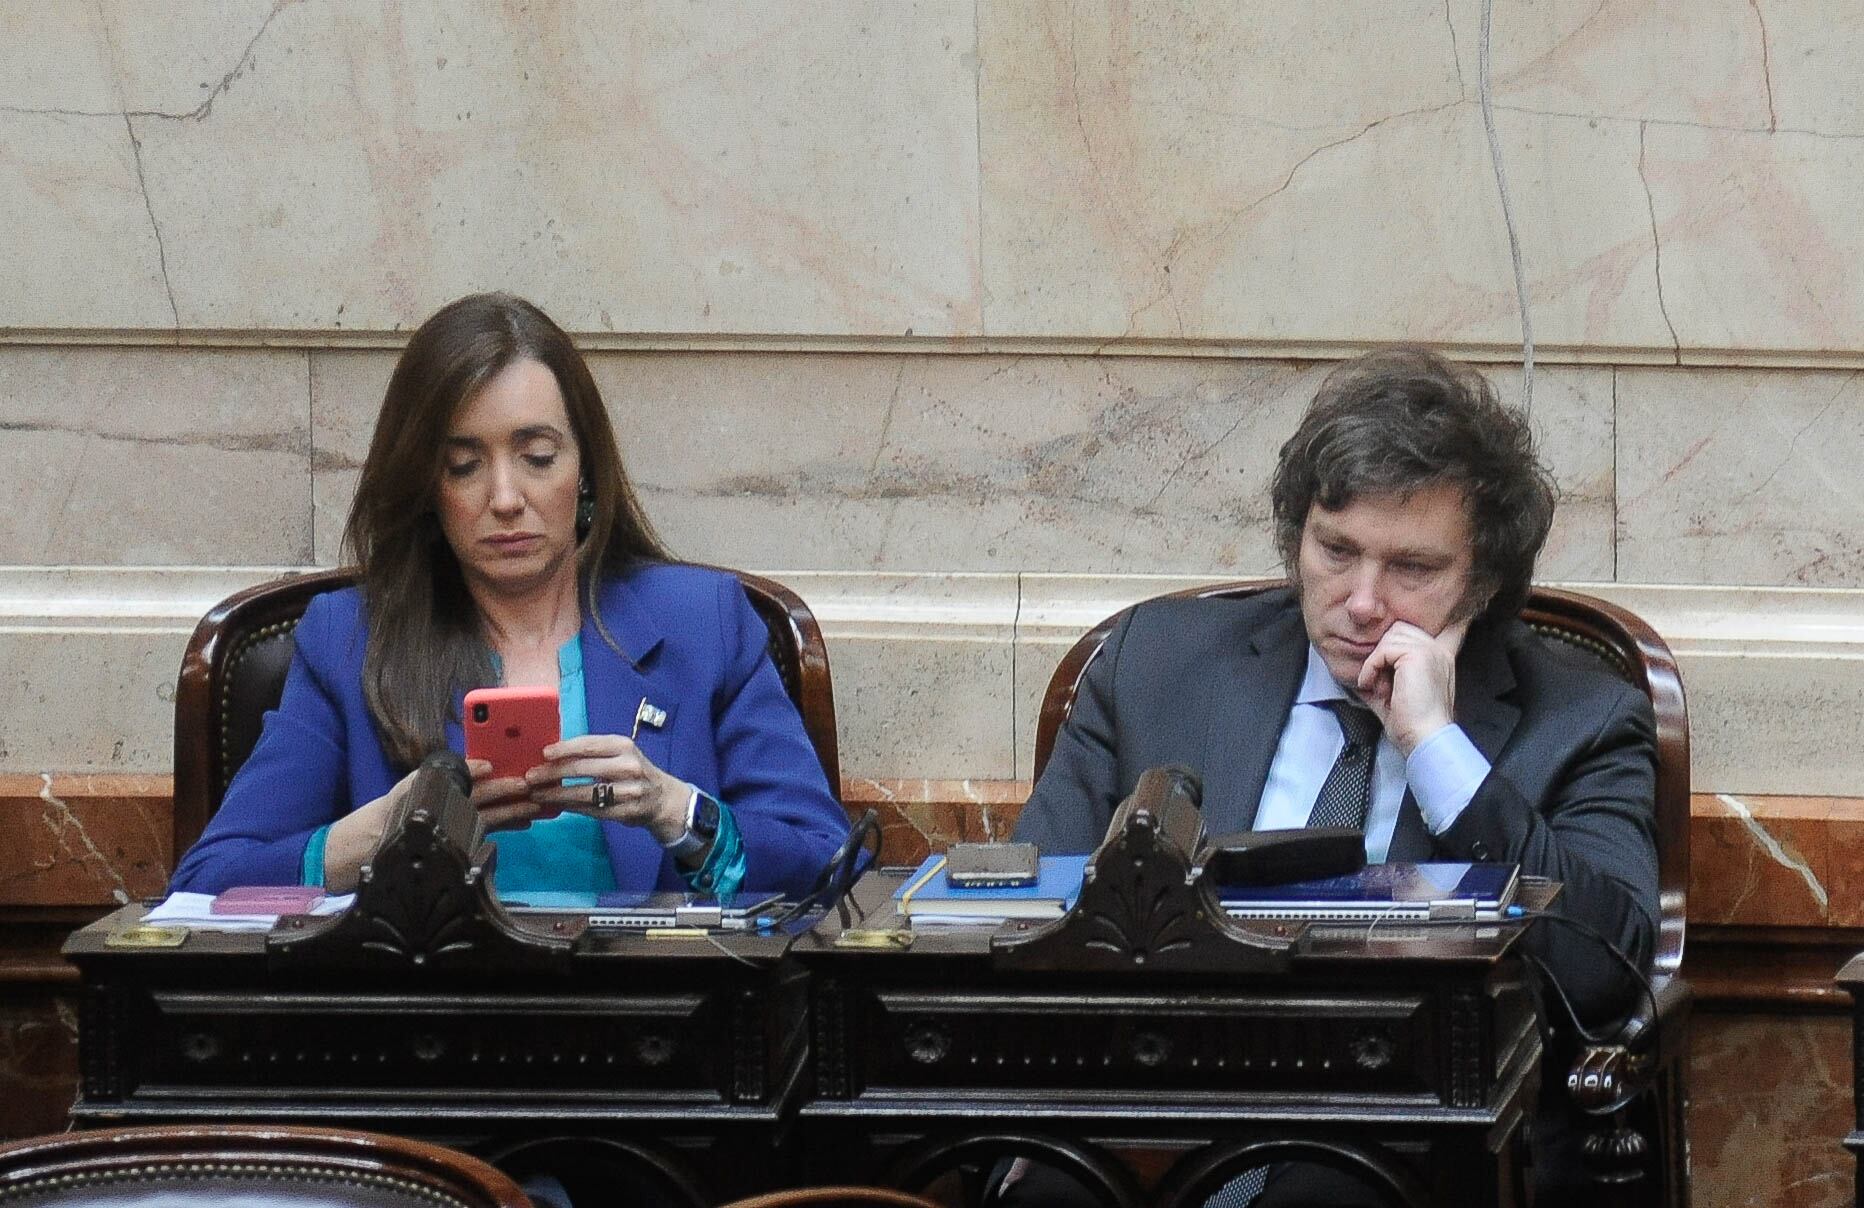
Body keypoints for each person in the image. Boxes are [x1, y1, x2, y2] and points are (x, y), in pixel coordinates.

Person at [1012, 348, 1658, 1206]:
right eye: (1336, 550)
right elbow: (1024, 914)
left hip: (1412, 1126)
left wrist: (1437, 748)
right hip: (1150, 1104)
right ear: (1296, 540)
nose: (1361, 601)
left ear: (1485, 580)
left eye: (1413, 569)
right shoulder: (1152, 665)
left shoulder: (1581, 714)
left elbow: (1603, 972)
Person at [171, 292, 849, 901]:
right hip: (429, 1025)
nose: (504, 498)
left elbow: (828, 866)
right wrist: (387, 832)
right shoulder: (347, 639)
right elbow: (210, 882)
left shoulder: (704, 624)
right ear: (426, 489)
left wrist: (675, 810)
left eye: (538, 457)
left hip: (664, 1024)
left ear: (586, 471)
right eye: (463, 466)